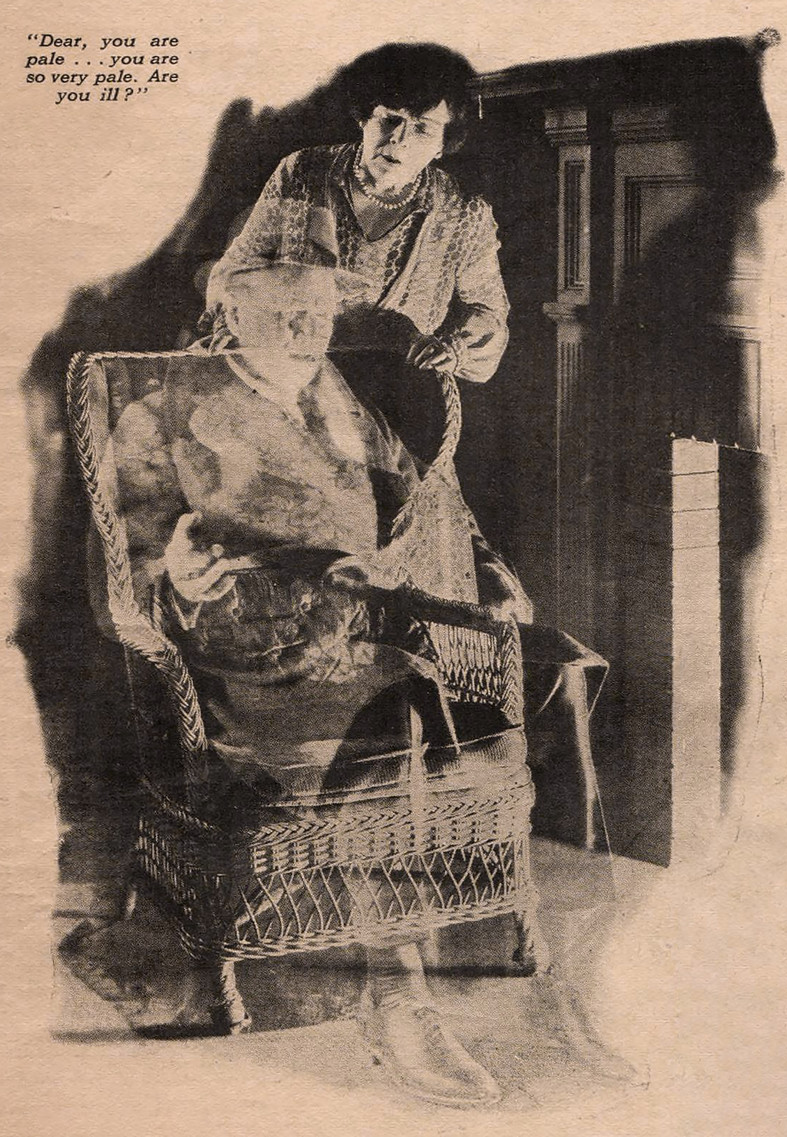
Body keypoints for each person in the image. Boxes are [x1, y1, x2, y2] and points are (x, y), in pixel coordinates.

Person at [107, 261, 532, 1106]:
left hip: (363, 634)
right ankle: (396, 993)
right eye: (281, 310)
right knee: (389, 713)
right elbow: (125, 574)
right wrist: (177, 579)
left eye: (317, 310)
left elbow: (425, 499)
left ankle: (394, 950)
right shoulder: (163, 416)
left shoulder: (341, 401)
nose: (305, 328)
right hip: (244, 657)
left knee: (465, 687)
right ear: (232, 310)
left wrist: (490, 573)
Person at [203, 42, 511, 388]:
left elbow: (489, 309)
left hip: (397, 383)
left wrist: (455, 349)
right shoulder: (303, 171)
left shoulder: (463, 212)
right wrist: (231, 324)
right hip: (288, 371)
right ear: (364, 118)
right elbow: (239, 268)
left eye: (422, 128)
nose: (398, 139)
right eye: (389, 119)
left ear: (442, 145)